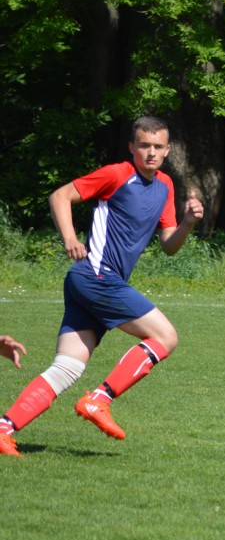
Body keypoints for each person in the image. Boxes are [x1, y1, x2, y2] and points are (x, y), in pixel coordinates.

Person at [0, 116, 204, 457]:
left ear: (168, 150)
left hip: (93, 281)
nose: (151, 152)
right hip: (96, 275)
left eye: (158, 147)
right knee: (166, 336)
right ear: (132, 147)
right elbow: (60, 196)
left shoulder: (166, 186)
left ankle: (4, 429)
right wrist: (69, 238)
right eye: (144, 145)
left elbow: (169, 245)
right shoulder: (117, 174)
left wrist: (187, 223)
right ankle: (99, 398)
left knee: (68, 367)